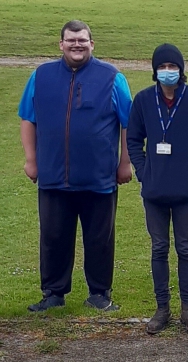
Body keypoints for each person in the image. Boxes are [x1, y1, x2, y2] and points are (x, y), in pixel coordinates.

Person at [18, 20, 132, 312]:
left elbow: (128, 124)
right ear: (61, 44)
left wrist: (125, 162)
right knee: (53, 236)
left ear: (92, 44)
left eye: (82, 40)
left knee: (99, 239)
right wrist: (31, 160)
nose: (76, 45)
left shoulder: (112, 77)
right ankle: (53, 293)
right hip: (53, 175)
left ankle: (99, 293)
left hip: (99, 176)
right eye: (71, 40)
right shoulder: (40, 76)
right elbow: (27, 118)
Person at [127, 44, 188, 334]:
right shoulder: (142, 100)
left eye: (172, 67)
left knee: (185, 248)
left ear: (181, 70)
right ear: (155, 71)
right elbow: (134, 140)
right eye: (162, 67)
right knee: (159, 247)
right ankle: (162, 308)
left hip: (185, 190)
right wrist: (143, 171)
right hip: (154, 190)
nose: (168, 72)